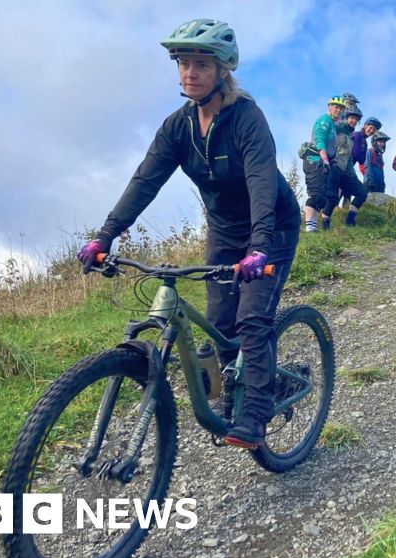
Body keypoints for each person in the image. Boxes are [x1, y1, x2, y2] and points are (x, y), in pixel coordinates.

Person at [76, 19, 300, 449]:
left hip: (271, 226)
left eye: (200, 64)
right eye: (183, 63)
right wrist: (105, 236)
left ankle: (255, 414)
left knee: (251, 319)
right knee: (219, 323)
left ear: (222, 70)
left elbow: (260, 183)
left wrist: (259, 247)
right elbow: (145, 181)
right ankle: (245, 389)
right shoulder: (177, 127)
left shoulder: (247, 119)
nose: (189, 73)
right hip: (223, 230)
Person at [300, 95, 345, 232]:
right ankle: (309, 227)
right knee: (316, 193)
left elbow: (332, 146)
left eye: (341, 108)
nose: (338, 110)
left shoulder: (332, 125)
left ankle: (312, 227)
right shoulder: (324, 120)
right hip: (314, 158)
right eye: (336, 107)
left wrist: (332, 160)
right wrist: (325, 160)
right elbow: (320, 141)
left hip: (324, 162)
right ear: (329, 107)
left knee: (323, 196)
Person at [326, 105, 368, 227]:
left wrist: (352, 174)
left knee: (361, 193)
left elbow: (349, 158)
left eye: (356, 119)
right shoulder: (339, 126)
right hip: (334, 167)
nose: (354, 121)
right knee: (332, 197)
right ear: (347, 117)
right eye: (352, 118)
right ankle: (325, 224)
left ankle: (349, 221)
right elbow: (328, 127)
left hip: (345, 171)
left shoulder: (351, 135)